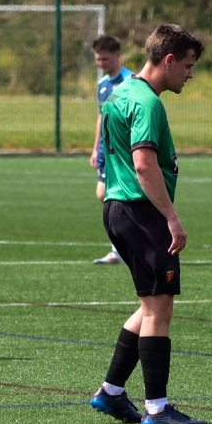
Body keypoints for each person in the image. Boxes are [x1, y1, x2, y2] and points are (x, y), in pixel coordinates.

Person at [89, 23, 209, 424]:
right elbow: (143, 163)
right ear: (169, 60)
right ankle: (157, 408)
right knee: (160, 307)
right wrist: (171, 217)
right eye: (188, 66)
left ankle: (111, 393)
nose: (190, 75)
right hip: (141, 212)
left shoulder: (120, 94)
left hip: (118, 209)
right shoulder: (148, 103)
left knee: (148, 305)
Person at [90, 35, 133, 264]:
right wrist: (96, 147)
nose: (101, 64)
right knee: (106, 196)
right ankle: (120, 247)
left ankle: (121, 249)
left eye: (105, 59)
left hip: (122, 148)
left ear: (117, 55)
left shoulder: (130, 81)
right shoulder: (102, 84)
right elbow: (101, 116)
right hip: (106, 148)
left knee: (110, 195)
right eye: (98, 60)